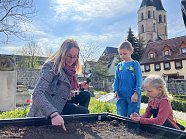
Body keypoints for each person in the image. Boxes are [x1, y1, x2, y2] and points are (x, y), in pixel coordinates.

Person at [27, 38, 91, 131]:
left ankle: (76, 124)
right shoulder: (50, 67)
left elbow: (64, 88)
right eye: (69, 56)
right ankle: (69, 122)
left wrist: (80, 86)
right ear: (62, 53)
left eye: (75, 56)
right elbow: (37, 94)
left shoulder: (71, 69)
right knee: (84, 111)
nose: (72, 60)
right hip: (51, 107)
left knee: (86, 95)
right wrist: (53, 114)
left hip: (62, 100)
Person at [113, 41, 142, 117]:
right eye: (120, 54)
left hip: (132, 96)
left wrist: (136, 93)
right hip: (121, 95)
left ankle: (133, 129)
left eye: (125, 54)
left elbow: (139, 79)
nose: (122, 56)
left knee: (132, 115)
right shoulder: (119, 66)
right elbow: (116, 79)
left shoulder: (135, 64)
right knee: (121, 114)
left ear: (131, 51)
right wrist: (115, 91)